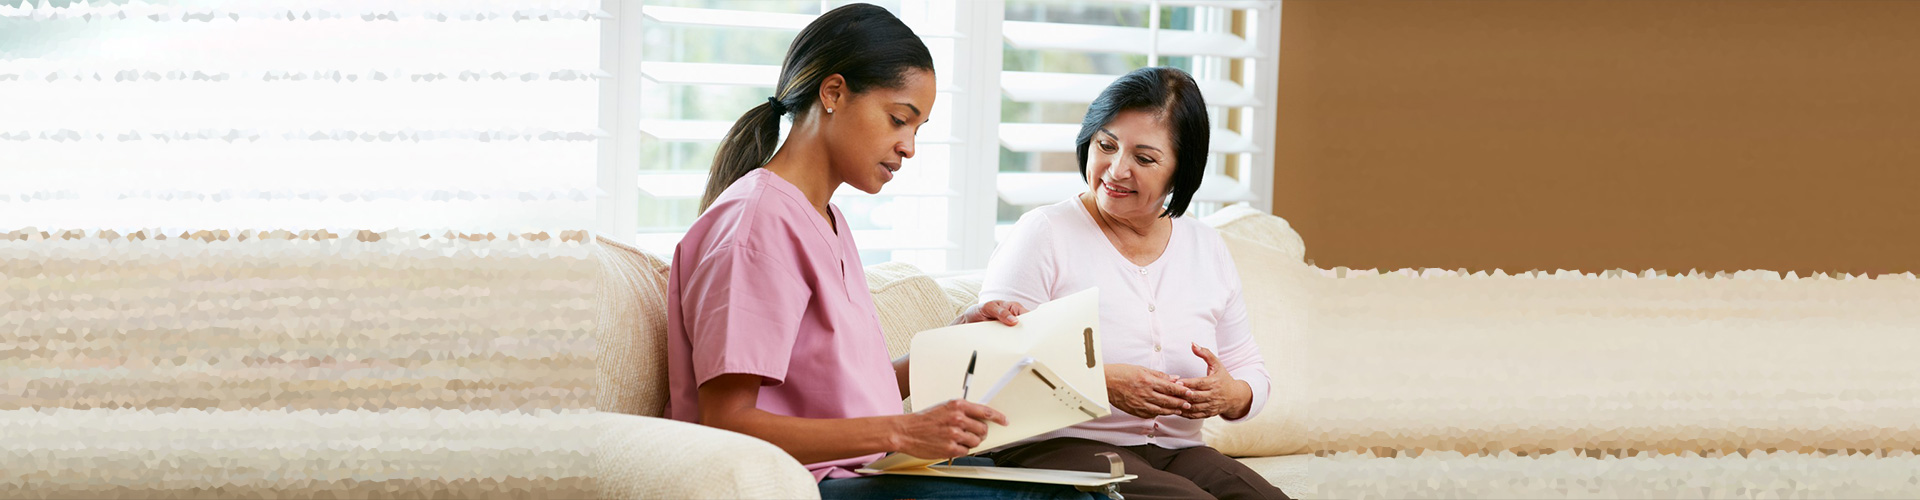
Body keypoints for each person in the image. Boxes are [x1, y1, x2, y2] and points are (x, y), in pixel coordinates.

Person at [664, 4, 1102, 499]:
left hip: (864, 474)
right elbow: (727, 424)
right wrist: (902, 432)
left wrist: (955, 341)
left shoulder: (827, 221)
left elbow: (845, 400)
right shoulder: (755, 225)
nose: (909, 146)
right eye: (899, 119)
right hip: (808, 485)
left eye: (918, 129)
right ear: (833, 93)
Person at [975, 67, 1292, 500]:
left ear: (1181, 170)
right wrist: (1101, 381)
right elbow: (988, 364)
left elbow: (1248, 366)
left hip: (1177, 449)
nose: (1115, 170)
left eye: (1143, 159)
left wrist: (1229, 394)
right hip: (1057, 446)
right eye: (1106, 145)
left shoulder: (1206, 246)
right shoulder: (1045, 232)